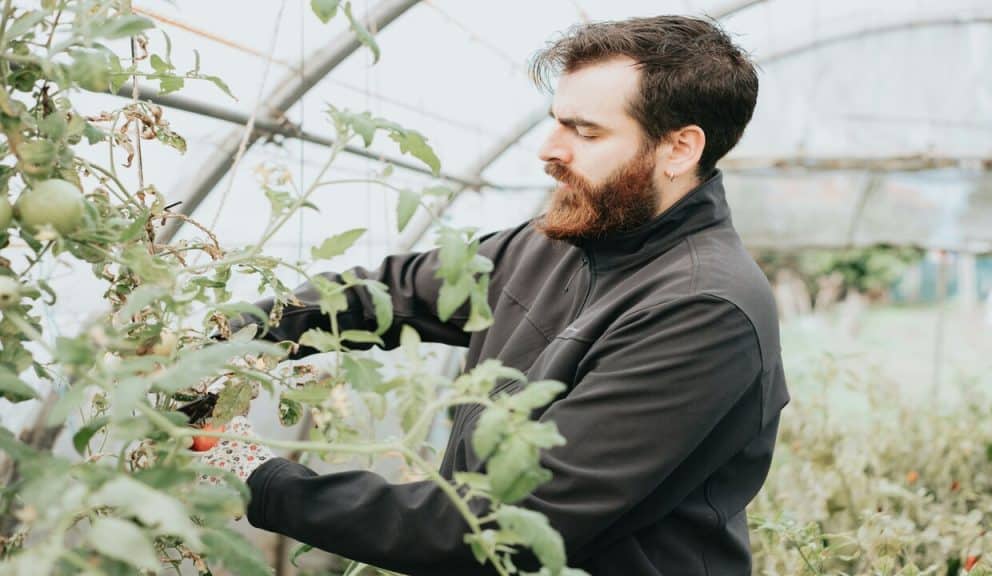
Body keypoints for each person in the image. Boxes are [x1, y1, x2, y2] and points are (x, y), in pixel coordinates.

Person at [197, 15, 789, 576]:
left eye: (586, 131)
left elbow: (499, 526)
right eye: (557, 120)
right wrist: (230, 339)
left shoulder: (704, 310)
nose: (549, 149)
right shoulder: (562, 240)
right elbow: (393, 293)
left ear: (680, 149)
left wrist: (255, 475)